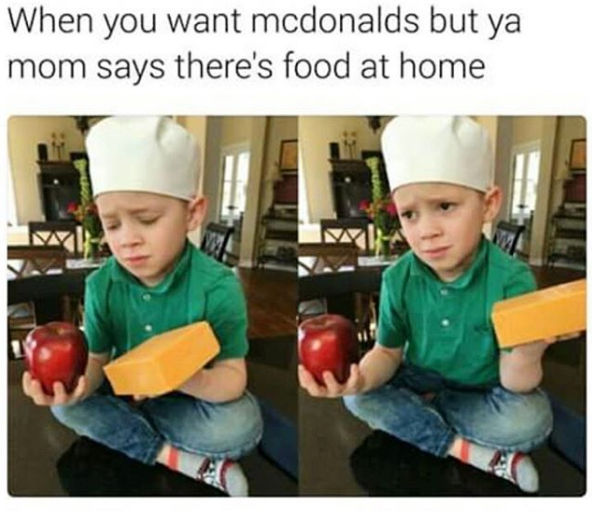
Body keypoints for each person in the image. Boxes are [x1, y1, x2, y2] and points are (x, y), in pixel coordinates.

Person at [299, 116, 575, 493]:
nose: (426, 230)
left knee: (531, 420)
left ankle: (417, 421)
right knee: (356, 398)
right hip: (418, 378)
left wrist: (528, 353)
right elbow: (387, 352)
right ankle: (468, 451)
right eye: (410, 214)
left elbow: (516, 380)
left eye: (445, 206)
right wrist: (361, 378)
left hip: (485, 389)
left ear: (489, 204)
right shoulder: (398, 278)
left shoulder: (512, 280)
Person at [22, 116, 263, 497]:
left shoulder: (218, 288)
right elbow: (98, 361)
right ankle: (181, 459)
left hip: (187, 400)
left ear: (194, 213)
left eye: (147, 220)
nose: (128, 240)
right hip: (121, 392)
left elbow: (233, 377)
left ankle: (124, 431)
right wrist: (78, 388)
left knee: (243, 424)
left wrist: (185, 378)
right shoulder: (101, 285)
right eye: (112, 224)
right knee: (64, 408)